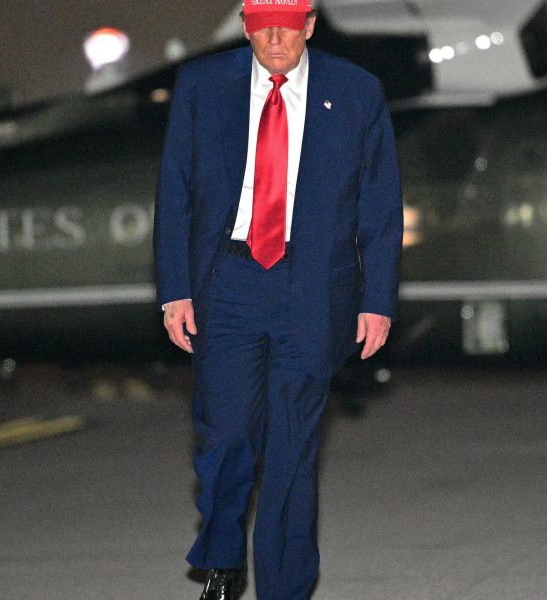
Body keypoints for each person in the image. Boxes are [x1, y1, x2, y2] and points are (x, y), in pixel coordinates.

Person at [152, 0, 403, 597]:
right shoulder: (203, 85)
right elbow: (175, 191)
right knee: (226, 434)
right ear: (245, 27)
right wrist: (175, 290)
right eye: (261, 27)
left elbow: (379, 203)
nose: (273, 40)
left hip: (313, 289)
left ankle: (285, 589)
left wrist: (377, 299)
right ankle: (223, 555)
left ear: (309, 26)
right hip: (229, 281)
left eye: (286, 27)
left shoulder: (356, 91)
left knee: (292, 447)